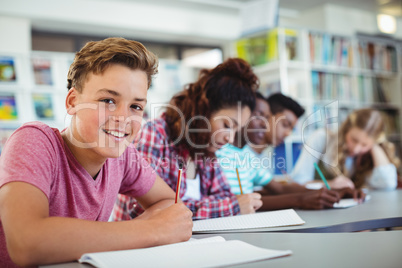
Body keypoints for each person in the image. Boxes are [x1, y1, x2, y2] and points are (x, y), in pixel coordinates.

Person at [0, 37, 193, 267]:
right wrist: (152, 229)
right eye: (108, 100)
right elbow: (26, 243)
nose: (123, 118)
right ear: (72, 101)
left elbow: (169, 203)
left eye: (135, 106)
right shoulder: (35, 141)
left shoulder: (123, 157)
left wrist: (156, 226)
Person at [112, 58, 263, 221]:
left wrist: (216, 205)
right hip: (142, 245)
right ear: (204, 110)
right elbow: (140, 208)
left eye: (236, 130)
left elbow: (224, 195)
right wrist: (229, 207)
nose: (230, 137)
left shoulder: (205, 149)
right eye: (227, 125)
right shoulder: (155, 133)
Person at [217, 93, 365, 211]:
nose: (264, 123)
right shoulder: (220, 152)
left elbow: (279, 188)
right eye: (284, 124)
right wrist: (301, 199)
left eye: (266, 118)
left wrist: (334, 193)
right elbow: (238, 201)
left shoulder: (246, 156)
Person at [291, 108, 400, 190]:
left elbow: (388, 184)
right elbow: (296, 183)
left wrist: (375, 146)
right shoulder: (322, 139)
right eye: (354, 140)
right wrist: (329, 184)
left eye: (364, 145)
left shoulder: (367, 155)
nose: (357, 149)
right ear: (346, 129)